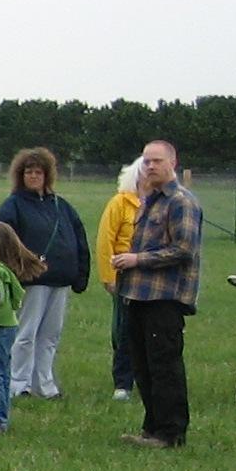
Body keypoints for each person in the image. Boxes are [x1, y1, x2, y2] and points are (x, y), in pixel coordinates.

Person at [113, 140, 202, 448]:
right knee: (143, 365)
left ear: (172, 163)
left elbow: (184, 249)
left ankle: (171, 433)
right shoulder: (149, 200)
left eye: (157, 161)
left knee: (164, 367)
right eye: (146, 161)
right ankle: (151, 429)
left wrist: (138, 259)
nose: (150, 167)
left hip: (165, 298)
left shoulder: (180, 201)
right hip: (138, 295)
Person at [0, 147, 89, 400]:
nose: (34, 176)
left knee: (50, 336)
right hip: (31, 281)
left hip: (61, 280)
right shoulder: (12, 206)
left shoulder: (62, 206)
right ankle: (19, 383)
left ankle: (44, 384)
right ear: (20, 175)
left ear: (47, 175)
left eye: (38, 172)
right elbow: (0, 241)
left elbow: (79, 238)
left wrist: (81, 274)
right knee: (26, 334)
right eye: (28, 172)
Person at [0, 221, 47, 432]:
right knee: (2, 372)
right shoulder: (5, 269)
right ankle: (0, 416)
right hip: (8, 326)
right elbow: (15, 298)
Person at [94, 159, 144, 401]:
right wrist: (108, 276)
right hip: (125, 276)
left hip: (152, 276)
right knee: (124, 331)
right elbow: (106, 240)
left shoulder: (162, 204)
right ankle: (123, 383)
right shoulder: (120, 203)